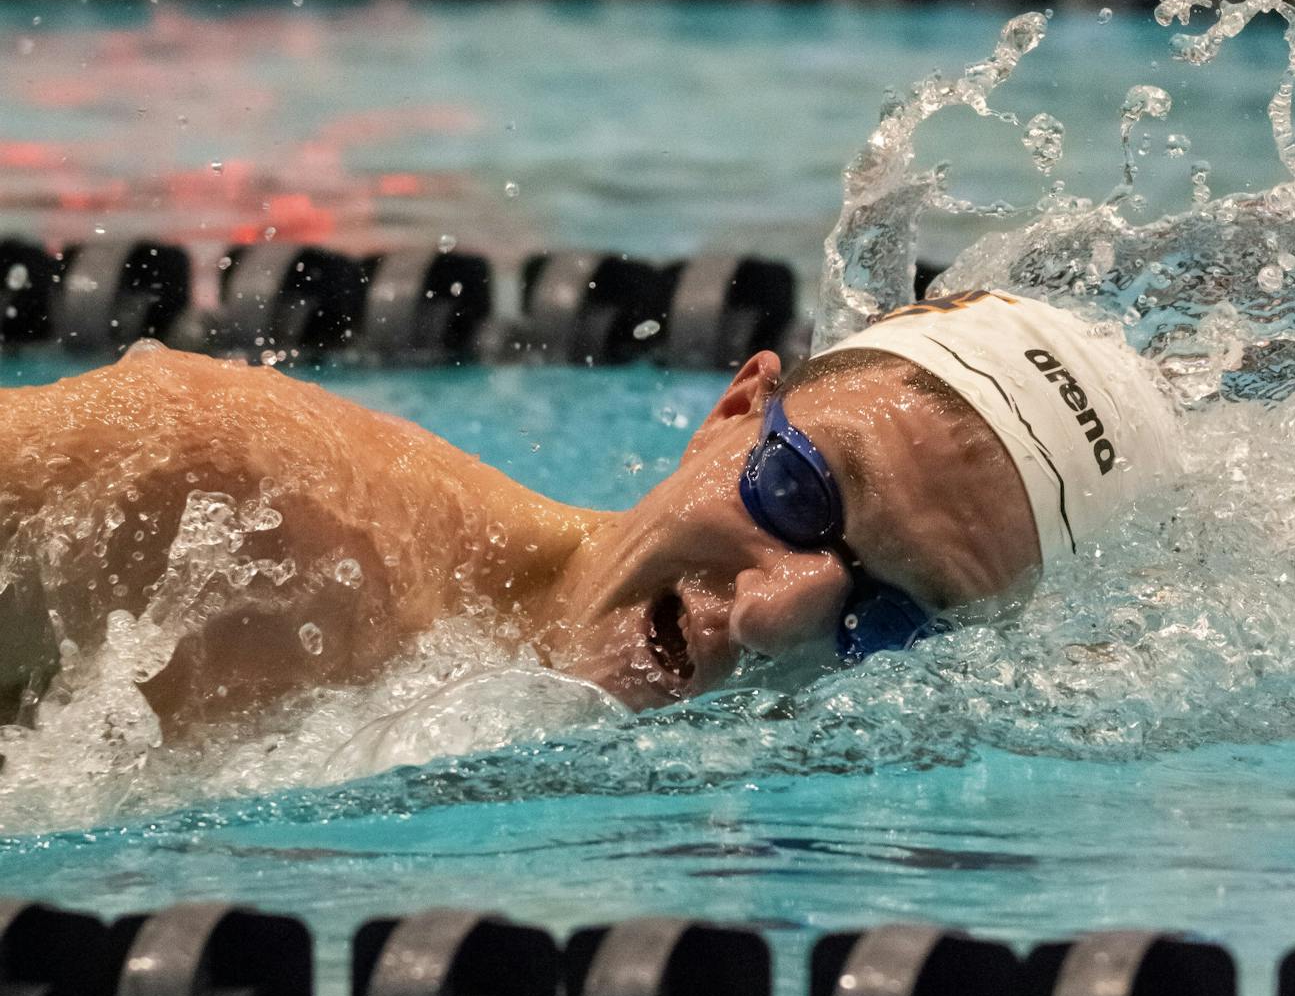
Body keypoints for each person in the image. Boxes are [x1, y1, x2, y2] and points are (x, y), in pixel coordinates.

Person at [0, 289, 1178, 736]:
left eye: (895, 617)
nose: (778, 613)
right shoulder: (224, 495)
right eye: (800, 493)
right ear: (734, 407)